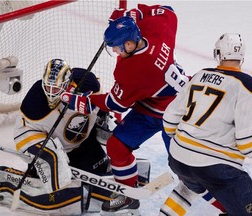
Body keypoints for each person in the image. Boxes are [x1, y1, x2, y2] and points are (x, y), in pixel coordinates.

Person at [60, 4, 227, 216]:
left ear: (129, 44)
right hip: (157, 105)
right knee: (117, 146)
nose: (115, 51)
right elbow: (167, 10)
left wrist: (81, 100)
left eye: (118, 47)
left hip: (176, 117)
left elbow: (116, 104)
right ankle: (128, 195)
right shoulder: (158, 31)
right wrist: (134, 15)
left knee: (188, 173)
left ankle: (232, 207)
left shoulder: (134, 70)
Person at [0, 58, 113, 215]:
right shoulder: (36, 99)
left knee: (101, 171)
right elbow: (31, 127)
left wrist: (98, 112)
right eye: (48, 87)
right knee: (53, 162)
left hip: (77, 144)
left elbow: (98, 101)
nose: (50, 93)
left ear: (67, 83)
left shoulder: (86, 82)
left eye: (56, 89)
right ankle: (14, 182)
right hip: (34, 136)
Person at [163, 33, 252, 216]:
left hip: (178, 159)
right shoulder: (246, 86)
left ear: (217, 53)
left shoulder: (199, 75)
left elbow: (169, 120)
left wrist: (188, 146)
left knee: (189, 186)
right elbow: (246, 144)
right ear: (242, 56)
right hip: (216, 168)